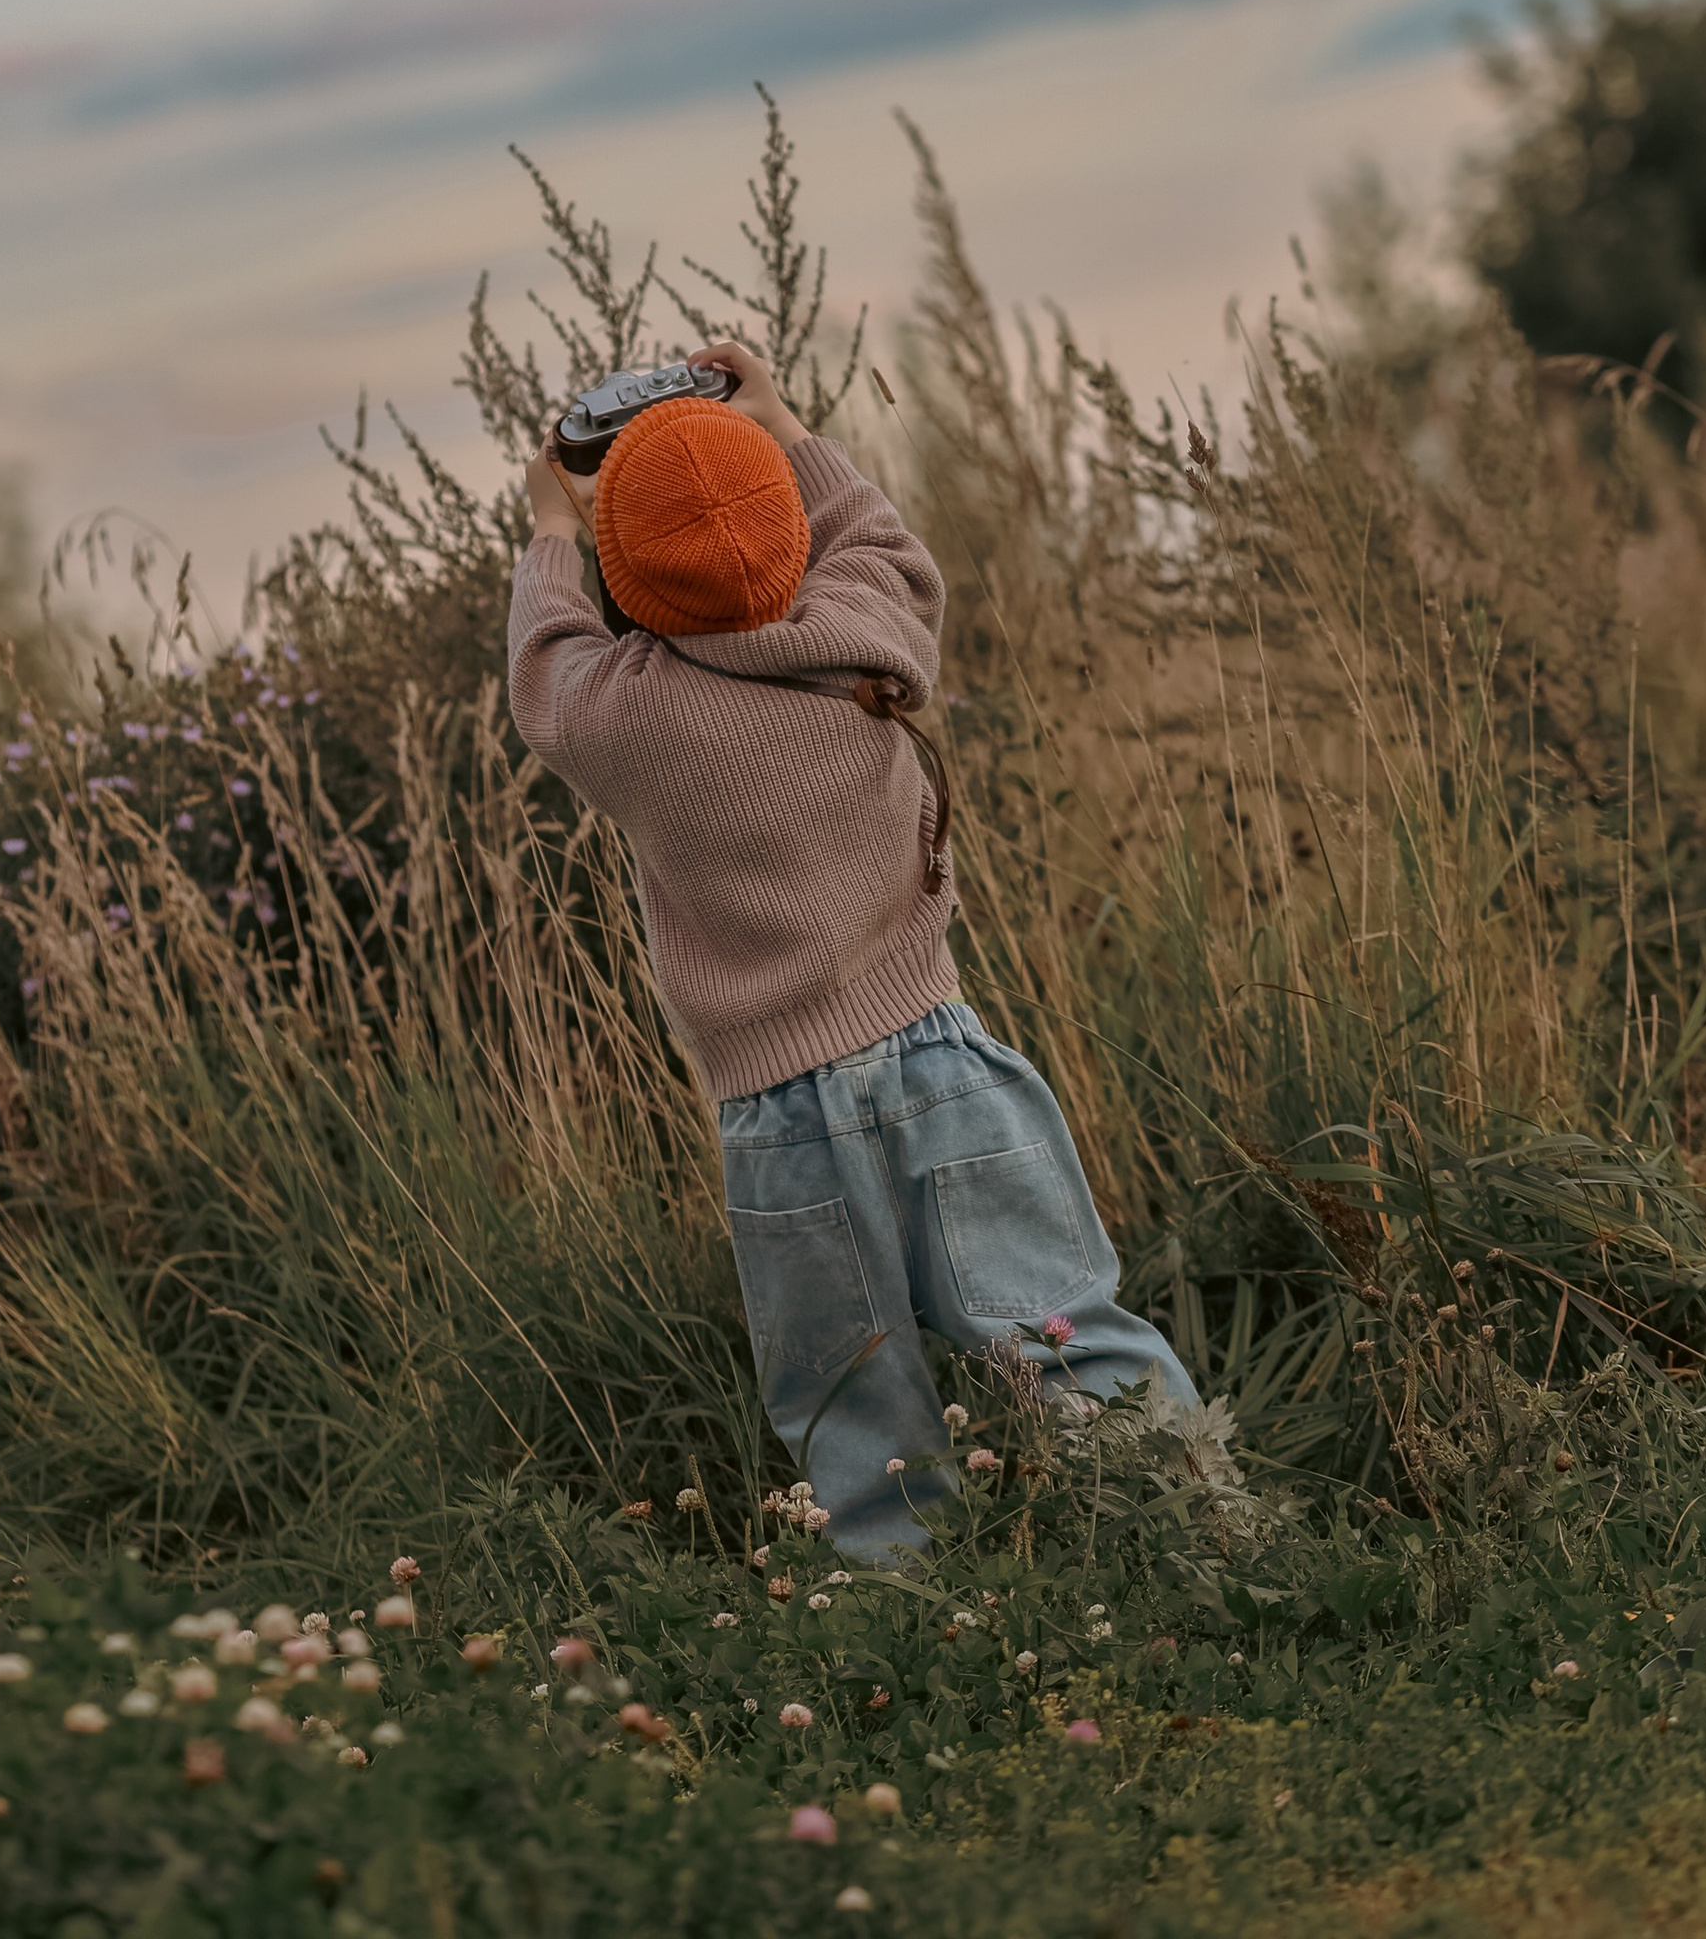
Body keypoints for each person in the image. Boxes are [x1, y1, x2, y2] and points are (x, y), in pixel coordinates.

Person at [508, 335, 1200, 1563]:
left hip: (783, 1125)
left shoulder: (631, 716)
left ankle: (908, 1601)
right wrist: (781, 427)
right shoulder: (867, 636)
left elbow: (545, 671)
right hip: (945, 1062)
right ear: (791, 531)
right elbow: (879, 540)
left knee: (850, 1399)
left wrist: (551, 529)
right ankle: (1200, 1527)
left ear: (629, 582)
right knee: (1059, 1328)